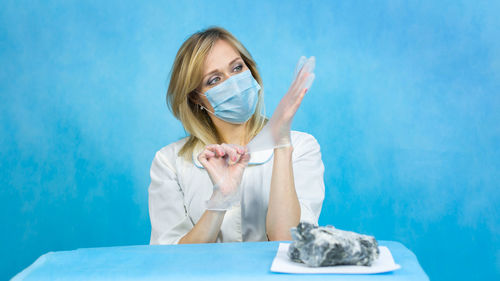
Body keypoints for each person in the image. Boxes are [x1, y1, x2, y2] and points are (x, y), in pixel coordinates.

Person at [148, 26, 325, 244]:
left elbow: (288, 241)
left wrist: (280, 144)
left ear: (250, 69)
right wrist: (219, 200)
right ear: (196, 98)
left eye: (237, 68)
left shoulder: (300, 146)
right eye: (214, 80)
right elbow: (170, 257)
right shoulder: (169, 162)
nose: (233, 82)